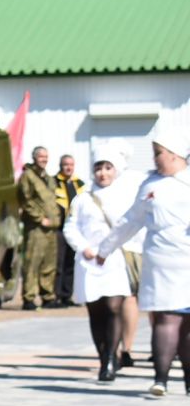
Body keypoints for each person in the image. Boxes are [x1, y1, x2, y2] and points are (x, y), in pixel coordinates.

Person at [91, 123, 190, 397]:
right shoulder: (149, 184)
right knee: (166, 318)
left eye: (158, 152)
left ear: (174, 154)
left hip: (187, 259)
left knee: (185, 322)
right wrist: (105, 248)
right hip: (160, 259)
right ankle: (161, 379)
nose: (155, 158)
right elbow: (130, 221)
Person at [63, 148, 140, 382]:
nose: (102, 173)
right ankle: (103, 355)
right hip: (89, 261)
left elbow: (131, 226)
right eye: (98, 168)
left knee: (114, 307)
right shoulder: (82, 198)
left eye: (107, 168)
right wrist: (83, 247)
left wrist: (110, 248)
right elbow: (70, 227)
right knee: (96, 312)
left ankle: (110, 359)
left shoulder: (125, 196)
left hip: (113, 258)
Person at [16, 146, 60, 311]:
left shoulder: (48, 178)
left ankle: (47, 296)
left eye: (46, 156)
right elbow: (25, 200)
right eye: (41, 156)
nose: (44, 159)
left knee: (49, 263)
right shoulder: (28, 176)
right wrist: (40, 219)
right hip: (36, 228)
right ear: (34, 158)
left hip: (51, 228)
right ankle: (29, 297)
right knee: (32, 262)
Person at [52, 154, 84, 308]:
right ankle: (56, 296)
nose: (68, 167)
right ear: (60, 165)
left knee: (71, 263)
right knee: (58, 263)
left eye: (71, 164)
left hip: (75, 229)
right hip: (59, 229)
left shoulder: (80, 184)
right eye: (65, 164)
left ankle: (67, 295)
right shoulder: (53, 183)